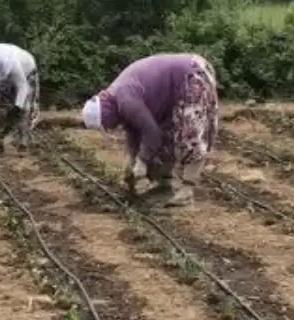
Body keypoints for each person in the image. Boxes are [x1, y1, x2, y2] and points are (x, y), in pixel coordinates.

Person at [80, 53, 219, 207]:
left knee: (191, 133)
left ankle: (187, 190)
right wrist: (132, 162)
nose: (108, 128)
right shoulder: (118, 102)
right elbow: (134, 132)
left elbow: (151, 133)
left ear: (105, 115)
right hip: (171, 90)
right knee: (167, 135)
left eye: (105, 124)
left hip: (192, 73)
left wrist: (142, 161)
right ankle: (166, 185)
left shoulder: (126, 99)